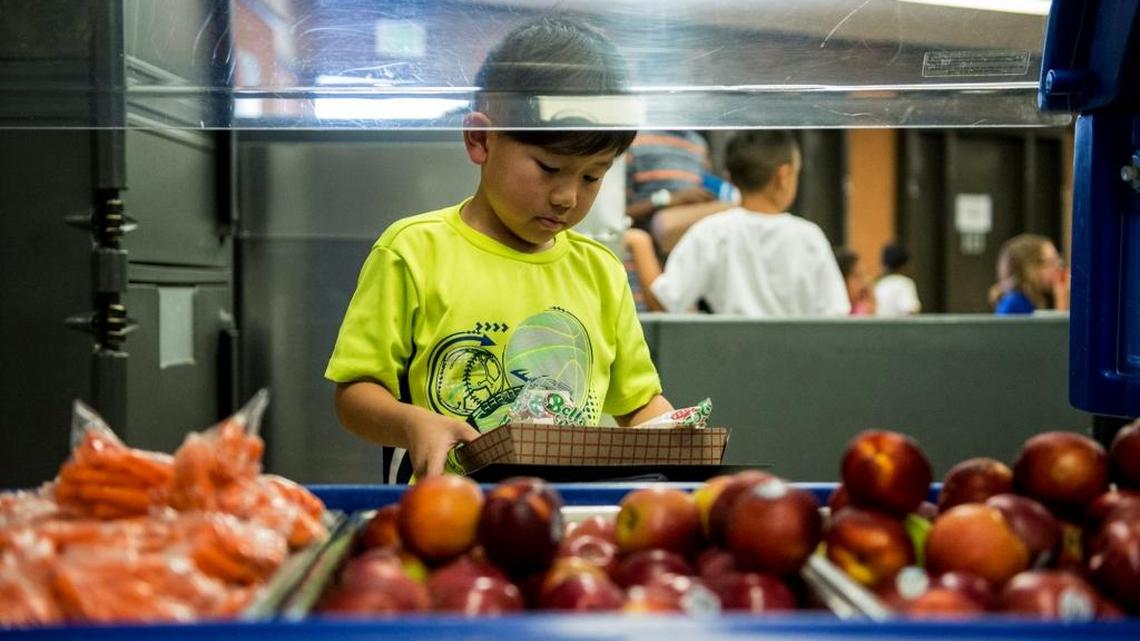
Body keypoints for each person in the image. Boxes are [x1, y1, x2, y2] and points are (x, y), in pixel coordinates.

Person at [325, 18, 673, 482]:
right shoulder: (413, 251)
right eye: (549, 168)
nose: (568, 197)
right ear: (480, 139)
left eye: (592, 176)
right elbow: (355, 393)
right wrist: (413, 423)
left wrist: (675, 437)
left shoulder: (600, 271)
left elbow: (638, 403)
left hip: (561, 515)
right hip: (445, 514)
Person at [637, 130, 849, 317]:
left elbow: (664, 302)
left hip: (728, 356)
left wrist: (640, 244)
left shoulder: (711, 232)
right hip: (803, 359)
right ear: (783, 176)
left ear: (729, 177)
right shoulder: (809, 237)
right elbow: (835, 314)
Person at [624, 130, 734, 257]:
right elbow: (617, 215)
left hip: (682, 254)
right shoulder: (635, 139)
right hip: (637, 257)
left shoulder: (698, 144)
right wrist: (667, 200)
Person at [989, 233, 1069, 315]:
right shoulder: (1015, 303)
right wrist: (1062, 301)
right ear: (1031, 268)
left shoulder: (1030, 300)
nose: (1059, 268)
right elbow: (1056, 328)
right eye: (1052, 262)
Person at [874, 243, 921, 317]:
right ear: (904, 266)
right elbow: (910, 310)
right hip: (897, 328)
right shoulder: (904, 284)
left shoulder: (877, 284)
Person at [834, 247, 876, 316]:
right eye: (858, 276)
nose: (865, 283)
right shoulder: (834, 315)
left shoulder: (860, 312)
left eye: (864, 276)